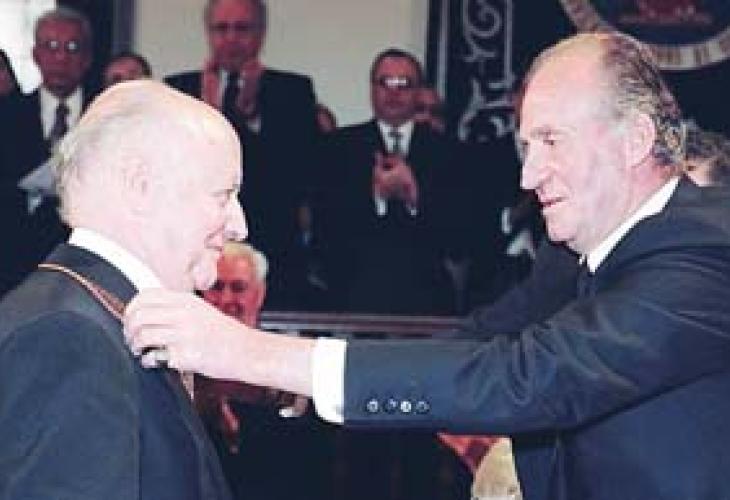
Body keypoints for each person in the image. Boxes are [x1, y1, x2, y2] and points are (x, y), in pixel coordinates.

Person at [125, 32, 730, 499]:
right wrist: (292, 382)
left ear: (634, 139)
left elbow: (524, 376)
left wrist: (246, 351)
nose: (528, 175)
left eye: (551, 141)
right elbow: (481, 342)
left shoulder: (704, 253)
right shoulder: (580, 253)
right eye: (526, 146)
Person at [0, 79, 246, 499]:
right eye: (223, 195)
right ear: (140, 187)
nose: (240, 225)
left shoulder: (99, 312)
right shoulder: (71, 338)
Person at [165, 0, 321, 309]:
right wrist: (209, 116)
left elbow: (299, 174)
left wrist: (250, 118)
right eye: (222, 28)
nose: (231, 38)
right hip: (197, 250)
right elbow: (174, 173)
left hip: (273, 250)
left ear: (261, 33)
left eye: (242, 28)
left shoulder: (292, 91)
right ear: (208, 33)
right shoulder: (180, 90)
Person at [321, 48, 469, 315]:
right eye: (385, 82)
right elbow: (327, 229)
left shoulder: (450, 152)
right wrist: (377, 198)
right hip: (354, 296)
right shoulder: (338, 147)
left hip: (428, 300)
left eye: (404, 84)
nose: (394, 92)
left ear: (419, 91)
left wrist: (414, 197)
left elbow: (460, 236)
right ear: (371, 89)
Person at [196, 241, 319, 500]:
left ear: (259, 294)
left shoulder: (284, 358)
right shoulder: (179, 359)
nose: (226, 299)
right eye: (216, 287)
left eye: (238, 288)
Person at [1, 7, 96, 293]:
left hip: (88, 263)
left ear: (87, 58)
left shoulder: (104, 115)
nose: (61, 58)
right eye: (51, 47)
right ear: (36, 55)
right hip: (16, 262)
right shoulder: (7, 114)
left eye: (72, 48)